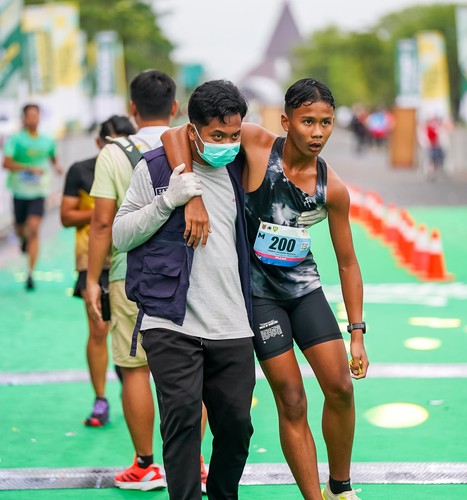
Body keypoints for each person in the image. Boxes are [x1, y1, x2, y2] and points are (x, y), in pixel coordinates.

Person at [163, 78, 369, 500]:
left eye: (326, 123)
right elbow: (173, 135)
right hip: (258, 298)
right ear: (286, 122)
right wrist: (191, 197)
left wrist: (357, 332)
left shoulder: (333, 188)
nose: (317, 132)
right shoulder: (257, 144)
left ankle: (340, 486)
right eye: (307, 121)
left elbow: (348, 262)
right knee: (292, 398)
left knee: (340, 388)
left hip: (304, 290)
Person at [112, 80, 255, 500]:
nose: (226, 144)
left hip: (232, 323)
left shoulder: (243, 167)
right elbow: (121, 234)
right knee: (182, 423)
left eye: (233, 135)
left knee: (237, 426)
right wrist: (168, 201)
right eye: (217, 136)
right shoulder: (156, 168)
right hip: (170, 321)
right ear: (193, 131)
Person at [85, 69, 179, 491]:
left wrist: (93, 279)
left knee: (135, 368)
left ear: (132, 108)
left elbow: (102, 224)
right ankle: (194, 462)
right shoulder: (191, 143)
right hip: (188, 273)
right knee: (188, 369)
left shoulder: (114, 152)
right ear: (174, 107)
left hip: (130, 274)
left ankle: (145, 465)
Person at [60, 115, 136, 428]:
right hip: (92, 261)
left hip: (130, 259)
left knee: (135, 334)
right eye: (111, 142)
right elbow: (66, 216)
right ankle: (101, 398)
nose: (118, 149)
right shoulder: (80, 170)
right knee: (99, 329)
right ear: (98, 143)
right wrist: (103, 208)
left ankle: (132, 386)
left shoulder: (141, 164)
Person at [2, 103, 63, 290]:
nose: (33, 119)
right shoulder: (15, 140)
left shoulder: (47, 139)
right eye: (30, 116)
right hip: (20, 191)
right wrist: (28, 168)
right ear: (24, 118)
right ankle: (22, 240)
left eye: (36, 115)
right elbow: (6, 163)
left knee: (34, 229)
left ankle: (30, 273)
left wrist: (56, 166)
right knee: (21, 229)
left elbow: (52, 155)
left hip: (39, 192)